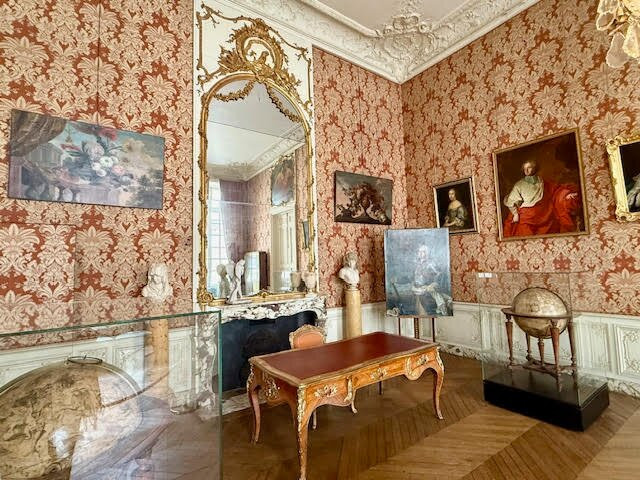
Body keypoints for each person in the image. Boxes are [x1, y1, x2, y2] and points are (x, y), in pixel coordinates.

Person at [502, 159, 580, 237]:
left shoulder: (543, 182)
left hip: (545, 216)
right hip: (526, 218)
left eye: (529, 168)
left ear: (534, 169)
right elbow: (510, 201)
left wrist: (566, 196)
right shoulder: (519, 185)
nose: (526, 170)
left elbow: (556, 192)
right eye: (525, 168)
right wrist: (515, 214)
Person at [411, 245, 452, 316]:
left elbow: (438, 273)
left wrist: (430, 277)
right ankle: (446, 300)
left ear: (426, 254)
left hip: (427, 285)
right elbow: (413, 277)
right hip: (418, 287)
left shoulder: (430, 263)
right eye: (419, 251)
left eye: (423, 252)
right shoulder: (417, 264)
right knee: (430, 290)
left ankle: (442, 304)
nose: (420, 253)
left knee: (431, 289)